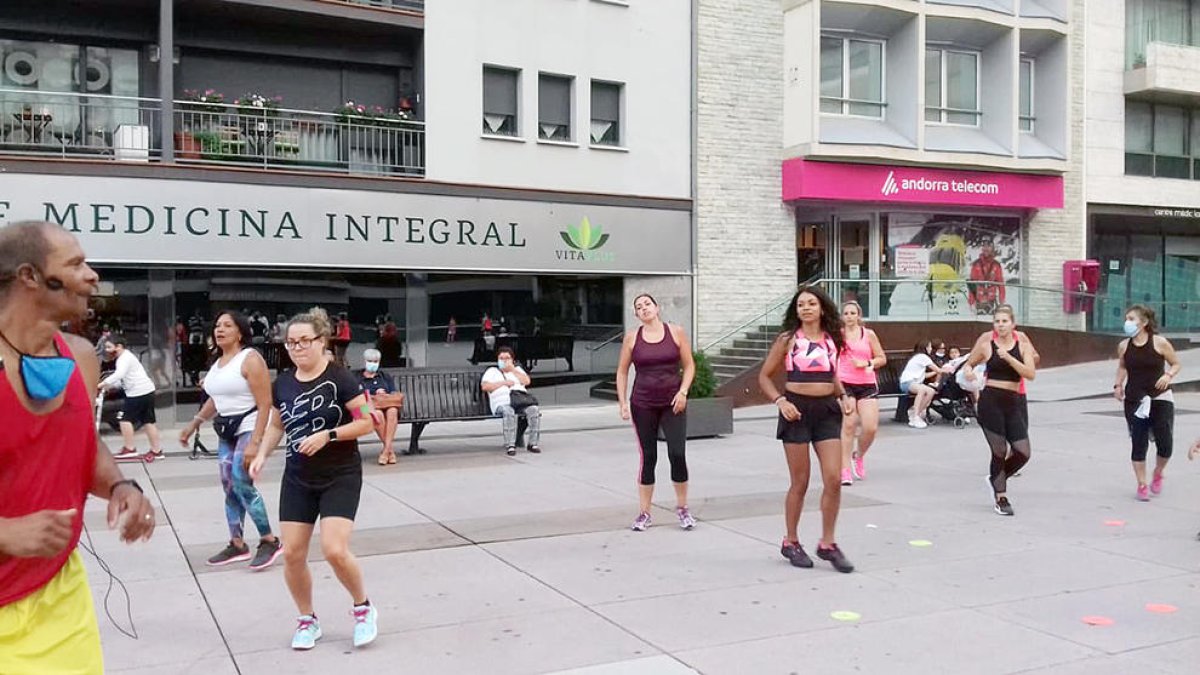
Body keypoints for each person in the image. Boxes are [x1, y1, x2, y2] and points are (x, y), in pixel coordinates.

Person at [0, 220, 155, 673]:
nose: (92, 275)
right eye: (75, 264)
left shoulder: (80, 357)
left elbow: (83, 447)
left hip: (58, 593)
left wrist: (121, 486)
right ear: (29, 276)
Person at [249, 307, 378, 650]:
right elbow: (278, 424)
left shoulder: (341, 379)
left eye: (304, 341)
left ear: (321, 342)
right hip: (298, 477)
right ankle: (307, 620)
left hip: (340, 474)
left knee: (334, 550)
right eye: (291, 343)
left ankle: (363, 609)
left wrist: (329, 436)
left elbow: (366, 422)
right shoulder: (284, 384)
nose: (297, 348)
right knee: (292, 553)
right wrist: (262, 453)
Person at [758, 285, 855, 573]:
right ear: (796, 311)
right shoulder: (788, 340)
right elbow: (764, 376)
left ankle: (827, 543)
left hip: (827, 411)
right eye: (801, 305)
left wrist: (842, 395)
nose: (807, 308)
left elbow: (831, 374)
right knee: (800, 482)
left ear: (822, 308)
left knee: (834, 478)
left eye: (812, 303)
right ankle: (791, 541)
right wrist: (780, 401)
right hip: (796, 410)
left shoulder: (831, 339)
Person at [179, 311, 283, 570]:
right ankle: (237, 544)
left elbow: (265, 403)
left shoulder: (250, 359)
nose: (220, 329)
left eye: (227, 325)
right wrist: (194, 423)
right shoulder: (218, 364)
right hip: (227, 430)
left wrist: (256, 443)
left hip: (249, 427)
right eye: (217, 325)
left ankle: (269, 540)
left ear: (240, 332)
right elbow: (217, 399)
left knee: (241, 480)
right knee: (228, 484)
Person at [615, 294, 696, 532]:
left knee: (677, 453)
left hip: (673, 402)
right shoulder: (632, 339)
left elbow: (689, 365)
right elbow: (622, 372)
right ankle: (644, 512)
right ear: (636, 314)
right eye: (639, 307)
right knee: (648, 457)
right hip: (643, 403)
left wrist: (683, 392)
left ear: (657, 307)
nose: (644, 309)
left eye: (647, 304)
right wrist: (622, 402)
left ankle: (682, 508)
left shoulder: (676, 332)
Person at [964, 305, 1038, 516]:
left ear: (1013, 324)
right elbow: (969, 363)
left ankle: (997, 477)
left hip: (1014, 400)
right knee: (999, 451)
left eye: (1004, 321)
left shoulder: (1022, 345)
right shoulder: (987, 345)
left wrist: (1009, 357)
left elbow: (1030, 373)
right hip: (991, 400)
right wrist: (969, 372)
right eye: (997, 321)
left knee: (1023, 452)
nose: (1000, 325)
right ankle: (1001, 497)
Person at [1113, 305, 1181, 501]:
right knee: (1138, 441)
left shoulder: (1159, 343)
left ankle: (1158, 472)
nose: (1128, 322)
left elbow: (1176, 363)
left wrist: (1168, 375)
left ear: (1143, 323)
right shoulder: (1124, 346)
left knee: (1165, 442)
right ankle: (1142, 483)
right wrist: (1118, 385)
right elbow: (1122, 366)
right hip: (1135, 399)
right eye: (1126, 318)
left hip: (1160, 396)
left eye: (1132, 319)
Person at [837, 301, 885, 485]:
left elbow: (881, 358)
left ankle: (859, 455)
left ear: (859, 315)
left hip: (866, 383)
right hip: (845, 383)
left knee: (870, 427)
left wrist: (867, 363)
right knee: (849, 424)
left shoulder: (869, 334)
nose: (849, 316)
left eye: (852, 313)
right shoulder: (838, 336)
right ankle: (845, 469)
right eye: (846, 313)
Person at [100, 334, 165, 461]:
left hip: (137, 393)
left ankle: (130, 449)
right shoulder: (128, 357)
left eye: (109, 347)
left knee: (124, 419)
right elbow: (125, 378)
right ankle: (157, 451)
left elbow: (119, 374)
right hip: (146, 390)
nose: (107, 350)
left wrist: (102, 384)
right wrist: (110, 386)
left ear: (119, 347)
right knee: (148, 421)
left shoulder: (124, 358)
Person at [481, 346, 542, 456]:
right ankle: (510, 445)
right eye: (501, 358)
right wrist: (503, 383)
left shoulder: (517, 370)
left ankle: (533, 443)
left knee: (534, 409)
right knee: (508, 411)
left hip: (519, 401)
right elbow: (485, 387)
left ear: (512, 360)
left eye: (507, 358)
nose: (504, 361)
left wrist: (513, 370)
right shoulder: (492, 371)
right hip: (502, 403)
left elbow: (527, 381)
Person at [358, 348, 400, 465]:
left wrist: (384, 393)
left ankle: (386, 451)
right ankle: (389, 451)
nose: (373, 364)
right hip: (363, 408)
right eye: (370, 361)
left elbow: (393, 393)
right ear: (365, 361)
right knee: (378, 414)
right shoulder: (357, 377)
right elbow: (355, 398)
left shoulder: (384, 376)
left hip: (385, 404)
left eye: (376, 361)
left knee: (392, 411)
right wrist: (371, 395)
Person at [898, 340, 939, 429]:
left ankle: (915, 413)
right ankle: (916, 416)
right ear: (925, 347)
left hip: (915, 383)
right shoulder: (922, 357)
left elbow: (924, 375)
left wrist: (937, 372)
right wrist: (945, 369)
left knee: (931, 391)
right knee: (922, 390)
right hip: (906, 383)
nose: (931, 349)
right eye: (930, 346)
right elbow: (938, 370)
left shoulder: (918, 357)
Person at [968, 242, 1006, 315]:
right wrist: (971, 302)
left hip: (991, 300)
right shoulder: (976, 264)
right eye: (984, 246)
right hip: (979, 300)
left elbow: (1001, 284)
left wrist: (1002, 301)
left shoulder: (996, 265)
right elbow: (972, 284)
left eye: (988, 246)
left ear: (992, 248)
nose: (986, 248)